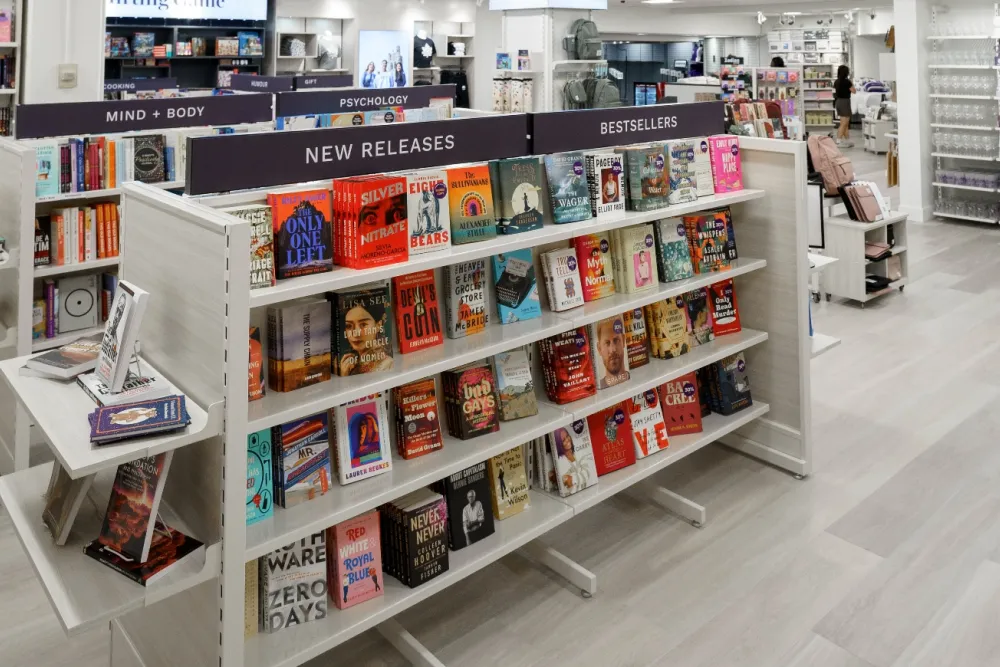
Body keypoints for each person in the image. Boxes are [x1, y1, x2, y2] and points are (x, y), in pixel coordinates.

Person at [342, 303, 393, 374]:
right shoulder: (348, 365)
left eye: (363, 324)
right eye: (349, 326)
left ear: (378, 325)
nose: (356, 334)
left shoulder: (388, 364)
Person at [596, 316, 629, 388]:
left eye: (616, 340)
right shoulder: (597, 388)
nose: (612, 349)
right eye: (607, 343)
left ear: (623, 341)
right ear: (599, 349)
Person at [835, 64, 856, 147]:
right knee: (844, 124)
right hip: (845, 102)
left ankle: (847, 140)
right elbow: (854, 91)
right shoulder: (847, 82)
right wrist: (851, 82)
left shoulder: (836, 81)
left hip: (838, 102)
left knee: (845, 123)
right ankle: (838, 141)